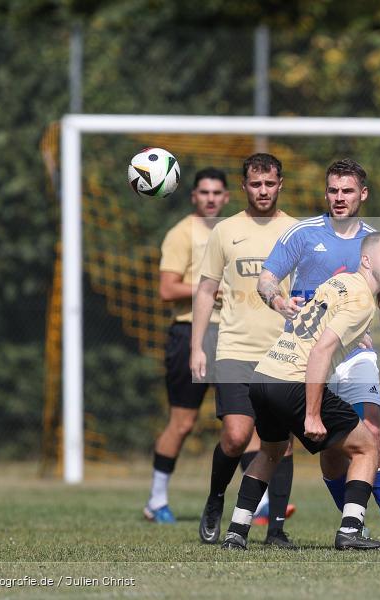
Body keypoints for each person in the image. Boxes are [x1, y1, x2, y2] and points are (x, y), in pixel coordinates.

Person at [256, 158, 380, 548]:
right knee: (331, 450)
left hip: (356, 353)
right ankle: (353, 525)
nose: (339, 198)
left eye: (347, 191)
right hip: (310, 355)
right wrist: (277, 302)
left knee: (373, 430)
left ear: (363, 194)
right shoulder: (303, 233)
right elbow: (266, 280)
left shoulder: (377, 241)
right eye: (333, 190)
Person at [221, 232, 380, 551]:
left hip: (265, 375)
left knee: (270, 451)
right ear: (366, 260)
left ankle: (236, 531)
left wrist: (353, 336)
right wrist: (312, 414)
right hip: (293, 381)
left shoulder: (340, 282)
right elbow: (320, 351)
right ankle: (350, 531)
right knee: (366, 446)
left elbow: (314, 320)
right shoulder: (362, 301)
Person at [190, 153, 299, 548]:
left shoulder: (297, 231)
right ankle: (216, 498)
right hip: (234, 347)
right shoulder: (225, 231)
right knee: (236, 437)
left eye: (270, 183)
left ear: (280, 184)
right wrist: (197, 347)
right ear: (245, 186)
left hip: (283, 350)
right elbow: (205, 290)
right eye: (256, 184)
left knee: (281, 443)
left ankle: (275, 530)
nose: (263, 191)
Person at [144, 168, 229, 524]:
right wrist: (207, 290)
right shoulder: (181, 234)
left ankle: (264, 502)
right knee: (182, 422)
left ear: (226, 197)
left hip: (231, 334)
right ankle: (156, 500)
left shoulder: (233, 233)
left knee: (247, 418)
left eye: (217, 193)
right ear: (193, 196)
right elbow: (167, 289)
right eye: (204, 193)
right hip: (188, 332)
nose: (211, 198)